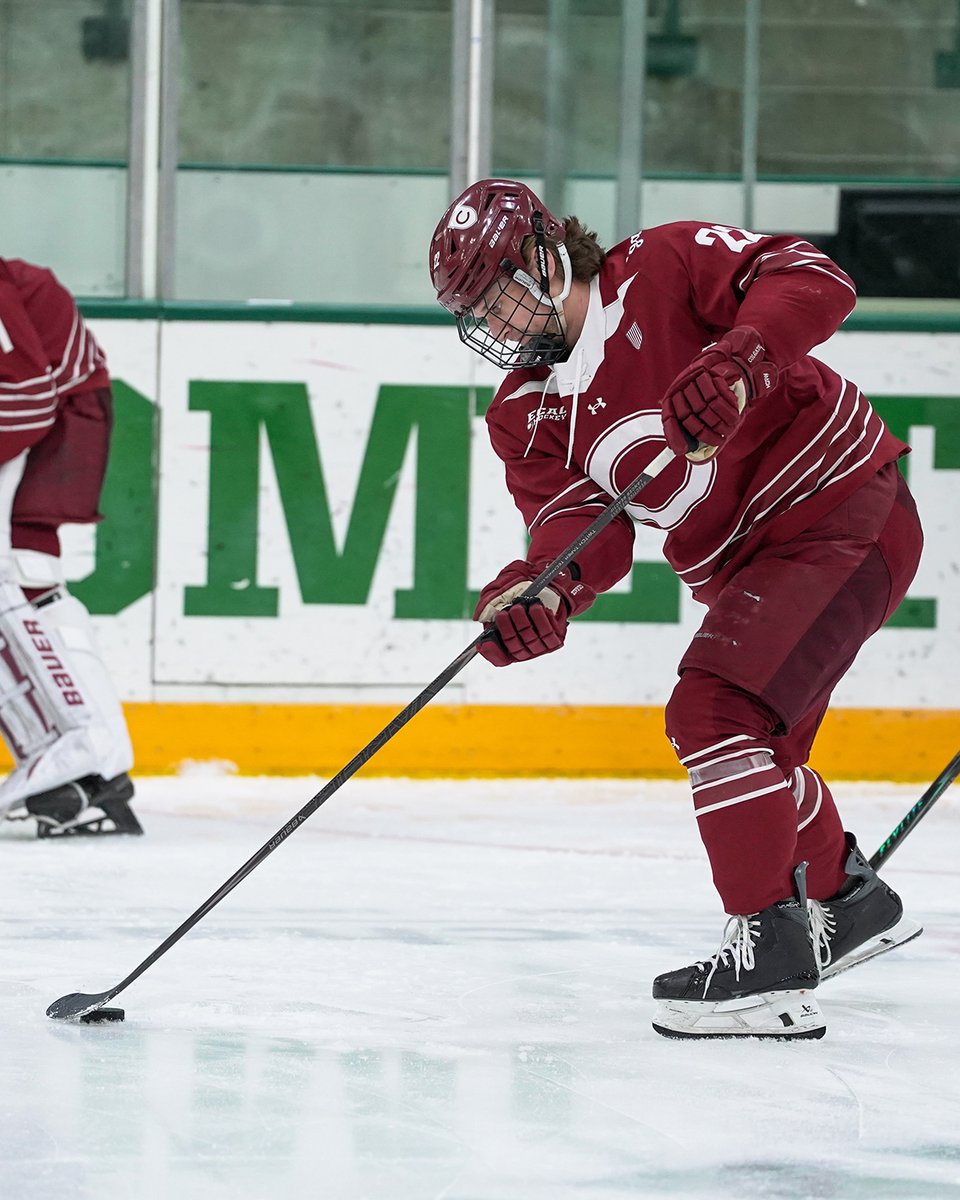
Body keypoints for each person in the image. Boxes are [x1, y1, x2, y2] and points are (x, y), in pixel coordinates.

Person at [428, 179, 923, 1040]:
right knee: (756, 755)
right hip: (751, 565)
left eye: (498, 293)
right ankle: (849, 902)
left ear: (547, 258)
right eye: (474, 310)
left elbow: (815, 277)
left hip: (839, 509)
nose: (494, 325)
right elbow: (581, 532)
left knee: (714, 713)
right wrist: (542, 592)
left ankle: (770, 960)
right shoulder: (523, 414)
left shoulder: (661, 265)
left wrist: (740, 356)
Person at [0, 256, 140, 839]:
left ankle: (77, 750)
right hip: (62, 407)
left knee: (14, 575)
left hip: (55, 413)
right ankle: (87, 761)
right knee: (24, 574)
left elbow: (28, 393)